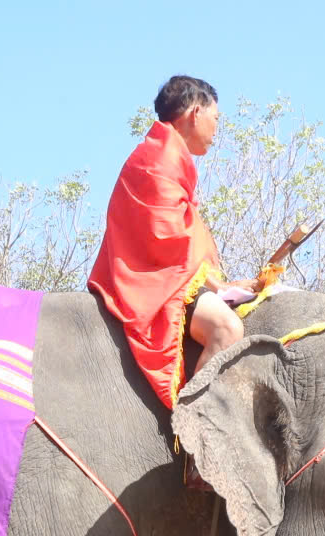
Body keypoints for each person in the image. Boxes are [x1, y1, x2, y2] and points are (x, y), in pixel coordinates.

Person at [88, 75, 261, 411]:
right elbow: (166, 240)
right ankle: (195, 438)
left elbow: (182, 241)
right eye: (215, 118)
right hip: (149, 283)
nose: (216, 130)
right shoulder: (160, 157)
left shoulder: (165, 153)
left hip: (168, 276)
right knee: (226, 329)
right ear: (195, 112)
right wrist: (215, 284)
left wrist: (224, 285)